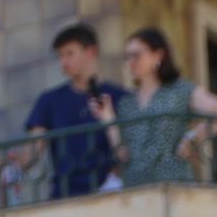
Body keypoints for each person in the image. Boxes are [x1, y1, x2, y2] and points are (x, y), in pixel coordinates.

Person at [90, 26, 217, 187]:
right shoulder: (127, 103)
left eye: (136, 55)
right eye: (127, 57)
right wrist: (108, 118)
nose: (131, 62)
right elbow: (123, 155)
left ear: (157, 55)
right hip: (135, 190)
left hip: (174, 185)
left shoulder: (180, 90)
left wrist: (193, 138)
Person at [10, 22, 129, 198]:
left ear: (90, 52)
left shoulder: (120, 97)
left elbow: (129, 150)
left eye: (70, 54)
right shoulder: (49, 100)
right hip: (64, 195)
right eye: (60, 56)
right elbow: (36, 144)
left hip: (110, 194)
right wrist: (16, 164)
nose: (63, 61)